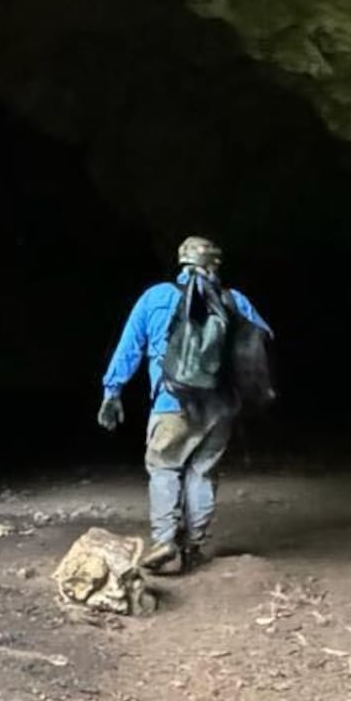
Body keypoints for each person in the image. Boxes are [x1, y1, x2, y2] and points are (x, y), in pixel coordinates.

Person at [98, 236, 273, 574]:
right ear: (215, 265)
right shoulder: (233, 300)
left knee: (164, 466)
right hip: (220, 406)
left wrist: (112, 390)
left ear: (181, 262)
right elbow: (262, 338)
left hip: (171, 400)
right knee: (202, 472)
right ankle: (192, 545)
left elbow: (129, 347)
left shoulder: (156, 297)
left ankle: (165, 540)